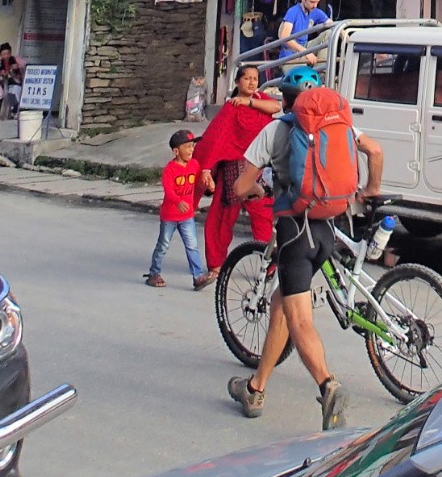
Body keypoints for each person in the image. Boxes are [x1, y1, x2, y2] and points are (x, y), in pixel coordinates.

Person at [226, 66, 384, 432]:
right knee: (282, 303)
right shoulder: (336, 124)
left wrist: (255, 190)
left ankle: (328, 387)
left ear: (285, 99)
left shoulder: (276, 129)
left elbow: (242, 185)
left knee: (299, 319)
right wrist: (370, 190)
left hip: (296, 233)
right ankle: (255, 389)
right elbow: (375, 151)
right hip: (329, 228)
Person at [193, 64, 280, 272]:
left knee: (264, 218)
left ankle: (271, 266)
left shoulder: (261, 102)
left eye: (255, 78)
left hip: (258, 169)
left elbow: (277, 108)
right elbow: (216, 138)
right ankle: (216, 264)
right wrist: (206, 168)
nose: (251, 82)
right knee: (222, 218)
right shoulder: (232, 106)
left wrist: (249, 102)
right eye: (247, 78)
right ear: (237, 82)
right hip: (233, 169)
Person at [144, 130, 216, 290]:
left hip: (187, 216)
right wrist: (177, 201)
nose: (192, 150)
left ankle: (198, 277)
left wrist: (208, 184)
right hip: (169, 216)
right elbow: (168, 191)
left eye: (193, 146)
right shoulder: (169, 170)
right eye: (188, 147)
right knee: (163, 245)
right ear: (176, 151)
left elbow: (198, 184)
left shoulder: (194, 165)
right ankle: (153, 273)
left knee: (192, 246)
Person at [277, 0, 329, 65]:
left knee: (329, 33)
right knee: (302, 73)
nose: (315, 5)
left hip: (305, 47)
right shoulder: (293, 11)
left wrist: (346, 37)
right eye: (312, 2)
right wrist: (305, 52)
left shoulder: (314, 10)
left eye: (317, 2)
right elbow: (284, 36)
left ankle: (321, 72)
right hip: (290, 54)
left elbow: (332, 24)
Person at [0, 42, 26, 120]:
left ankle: (15, 110)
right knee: (12, 91)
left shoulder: (15, 59)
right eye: (3, 54)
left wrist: (18, 66)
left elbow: (25, 65)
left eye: (7, 53)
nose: (6, 56)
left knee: (15, 89)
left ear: (10, 53)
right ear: (0, 55)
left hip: (17, 84)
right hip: (5, 87)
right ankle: (15, 110)